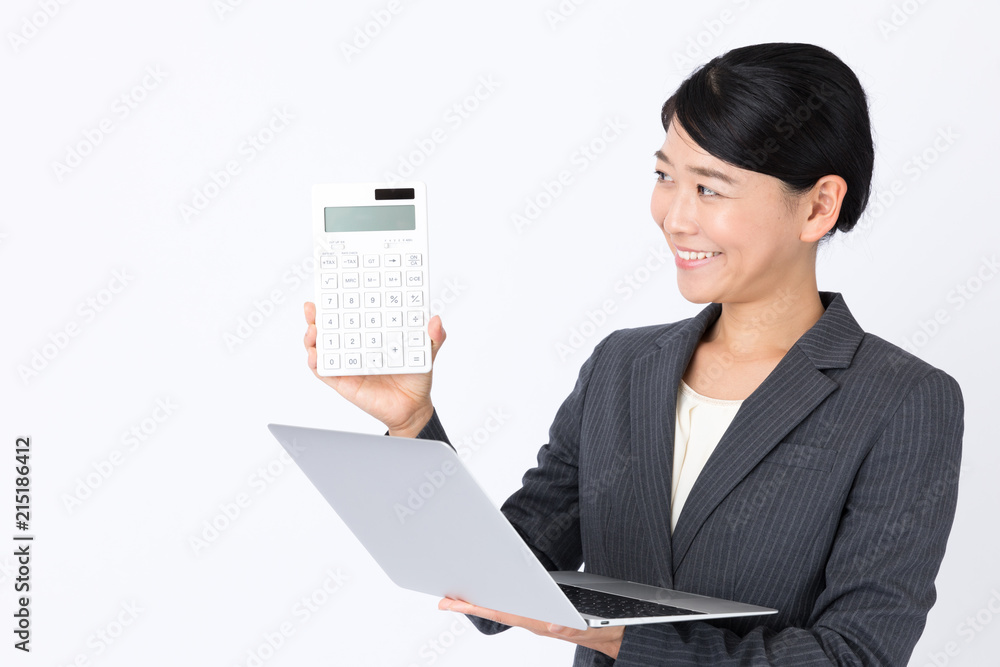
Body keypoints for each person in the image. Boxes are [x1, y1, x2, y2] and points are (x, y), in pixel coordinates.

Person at [302, 42, 963, 666]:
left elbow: (855, 655)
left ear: (818, 206)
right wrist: (414, 422)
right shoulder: (623, 366)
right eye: (663, 176)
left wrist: (626, 642)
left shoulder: (902, 401)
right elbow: (495, 590)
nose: (674, 216)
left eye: (709, 187)